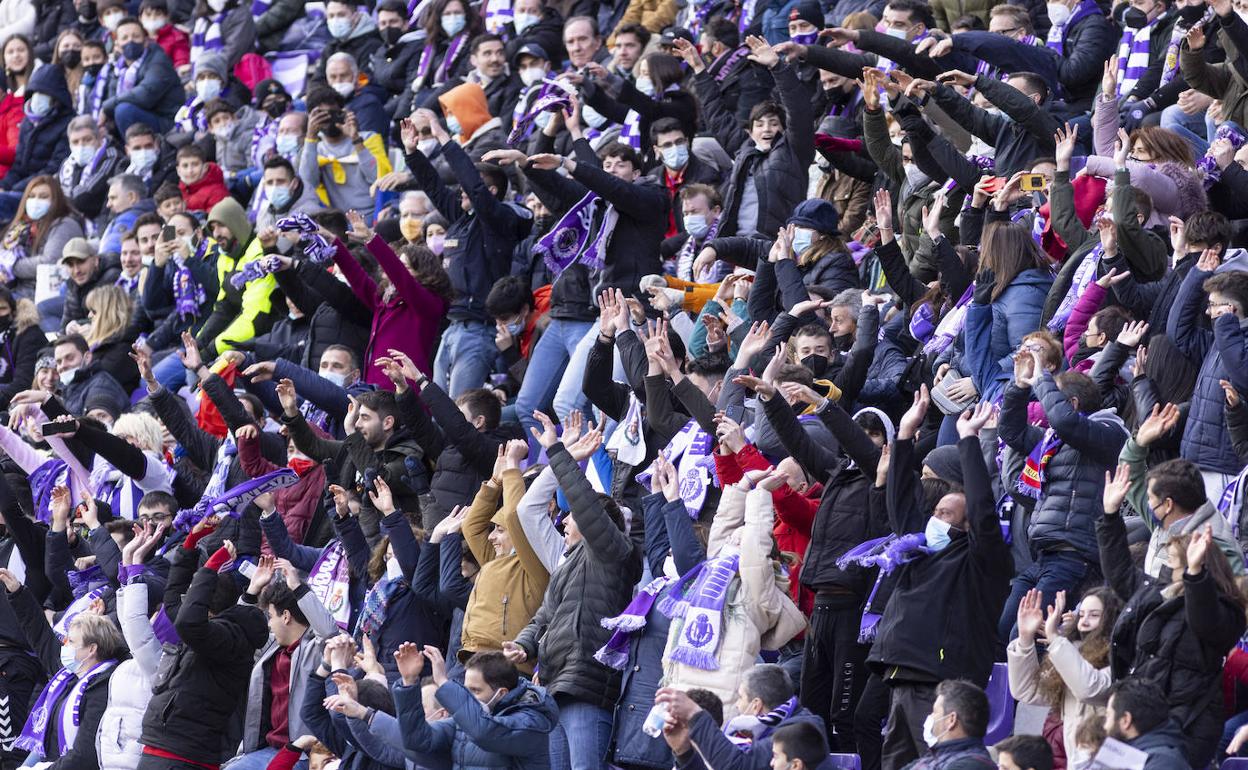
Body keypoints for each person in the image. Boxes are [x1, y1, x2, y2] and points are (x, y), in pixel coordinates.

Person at [393, 646, 559, 769]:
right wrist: (409, 682)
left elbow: (484, 732)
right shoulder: (467, 718)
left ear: (501, 693)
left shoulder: (532, 721)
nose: (468, 696)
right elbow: (419, 739)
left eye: (476, 690)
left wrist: (443, 682)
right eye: (466, 689)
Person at [1102, 679, 1189, 770]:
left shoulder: (1163, 763)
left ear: (1125, 720)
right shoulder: (1140, 754)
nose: (1105, 726)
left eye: (1108, 716)